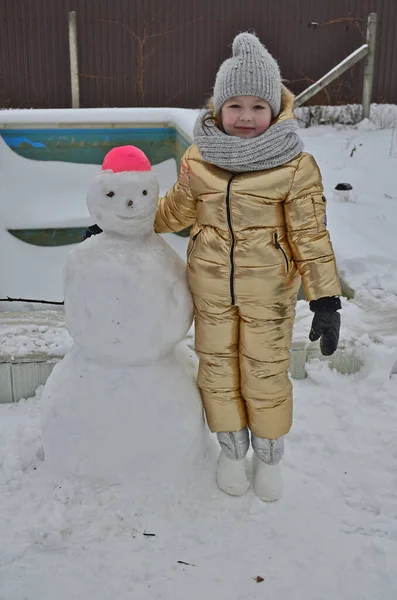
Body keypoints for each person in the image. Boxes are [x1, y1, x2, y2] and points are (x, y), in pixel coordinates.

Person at [153, 32, 341, 502]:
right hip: (211, 294)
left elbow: (310, 236)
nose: (245, 116)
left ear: (276, 110)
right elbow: (172, 213)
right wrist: (122, 224)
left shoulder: (295, 166)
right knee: (216, 371)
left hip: (270, 296)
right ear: (217, 108)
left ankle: (270, 457)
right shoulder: (199, 159)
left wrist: (325, 298)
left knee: (265, 374)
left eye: (258, 106)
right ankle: (232, 451)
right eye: (234, 105)